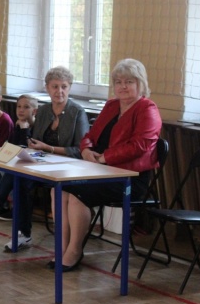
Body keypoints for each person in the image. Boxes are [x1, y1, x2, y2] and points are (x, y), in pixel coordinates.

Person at [52, 58, 162, 272]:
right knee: (58, 190)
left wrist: (104, 158)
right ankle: (62, 248)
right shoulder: (112, 105)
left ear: (140, 83)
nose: (123, 86)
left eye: (129, 81)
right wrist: (86, 150)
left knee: (76, 196)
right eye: (118, 82)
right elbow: (90, 136)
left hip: (129, 178)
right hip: (99, 170)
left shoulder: (147, 109)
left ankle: (74, 251)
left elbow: (140, 145)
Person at [3, 66, 89, 251]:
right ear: (47, 88)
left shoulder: (77, 112)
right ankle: (24, 234)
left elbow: (80, 150)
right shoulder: (43, 111)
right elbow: (34, 141)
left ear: (70, 87)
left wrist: (49, 148)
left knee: (21, 178)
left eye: (64, 86)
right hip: (42, 163)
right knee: (20, 178)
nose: (59, 91)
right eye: (55, 86)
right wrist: (26, 133)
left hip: (68, 167)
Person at [0, 94, 38, 223]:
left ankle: (3, 205)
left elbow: (27, 147)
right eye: (19, 106)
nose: (21, 110)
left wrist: (24, 130)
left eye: (26, 107)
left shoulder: (36, 126)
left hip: (34, 164)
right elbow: (14, 146)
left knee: (11, 172)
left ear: (34, 111)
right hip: (22, 161)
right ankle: (0, 205)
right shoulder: (19, 124)